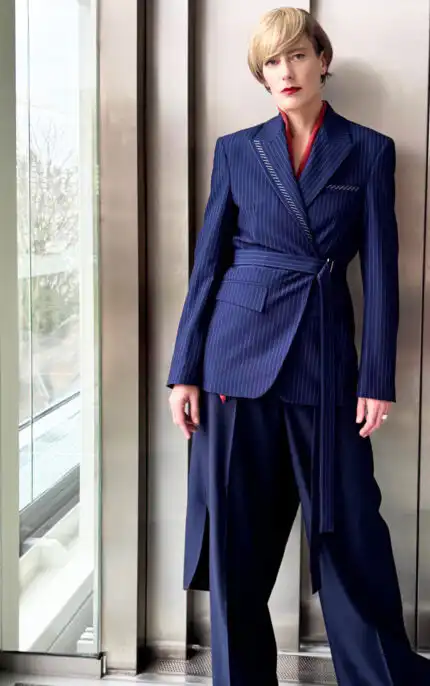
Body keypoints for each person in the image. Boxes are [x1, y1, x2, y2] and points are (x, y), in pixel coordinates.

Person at [167, 7, 430, 686]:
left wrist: (376, 378)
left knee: (349, 532)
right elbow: (208, 265)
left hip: (324, 358)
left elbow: (381, 270)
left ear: (322, 60)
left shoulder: (368, 149)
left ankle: (381, 677)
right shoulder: (237, 150)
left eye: (297, 55)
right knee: (237, 543)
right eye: (271, 61)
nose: (285, 71)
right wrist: (184, 369)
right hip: (234, 360)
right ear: (261, 74)